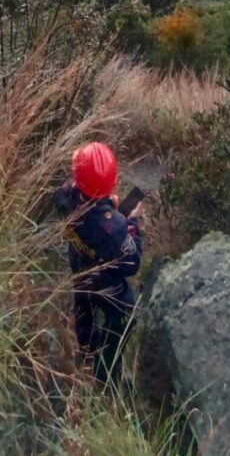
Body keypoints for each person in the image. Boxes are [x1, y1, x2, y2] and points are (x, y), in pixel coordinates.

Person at [54, 142, 143, 386]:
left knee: (83, 305)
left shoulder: (63, 197)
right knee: (124, 318)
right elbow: (131, 263)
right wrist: (132, 223)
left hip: (80, 268)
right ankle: (106, 377)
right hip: (107, 284)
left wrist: (107, 209)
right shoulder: (114, 227)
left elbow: (81, 202)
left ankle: (87, 349)